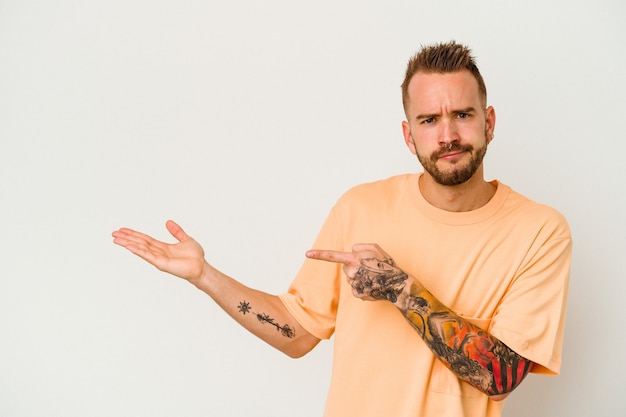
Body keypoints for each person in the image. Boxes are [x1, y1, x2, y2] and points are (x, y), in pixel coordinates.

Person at [112, 41, 572, 417]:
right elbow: (296, 333)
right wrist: (205, 275)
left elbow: (502, 376)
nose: (447, 134)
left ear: (488, 123)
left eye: (463, 115)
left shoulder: (539, 231)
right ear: (409, 136)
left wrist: (399, 288)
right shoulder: (361, 206)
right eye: (429, 120)